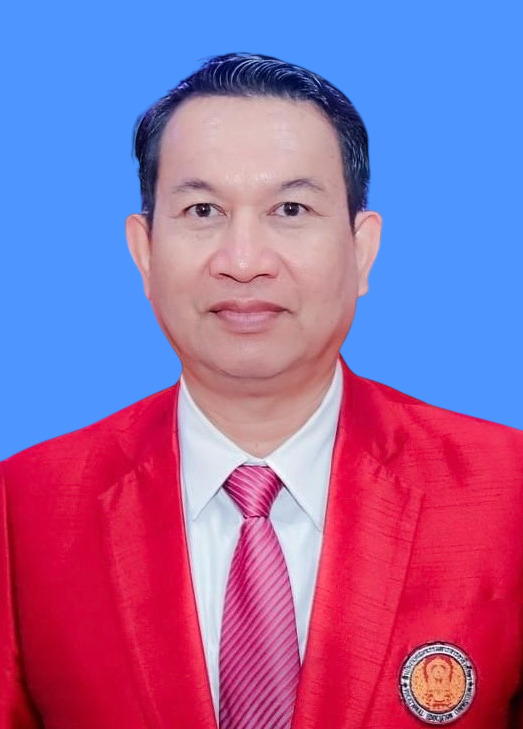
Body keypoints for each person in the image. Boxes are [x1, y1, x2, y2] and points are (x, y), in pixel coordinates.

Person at [1, 52, 522, 729]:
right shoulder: (26, 505)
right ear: (145, 252)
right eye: (202, 209)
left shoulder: (505, 491)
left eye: (290, 208)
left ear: (362, 249)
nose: (243, 261)